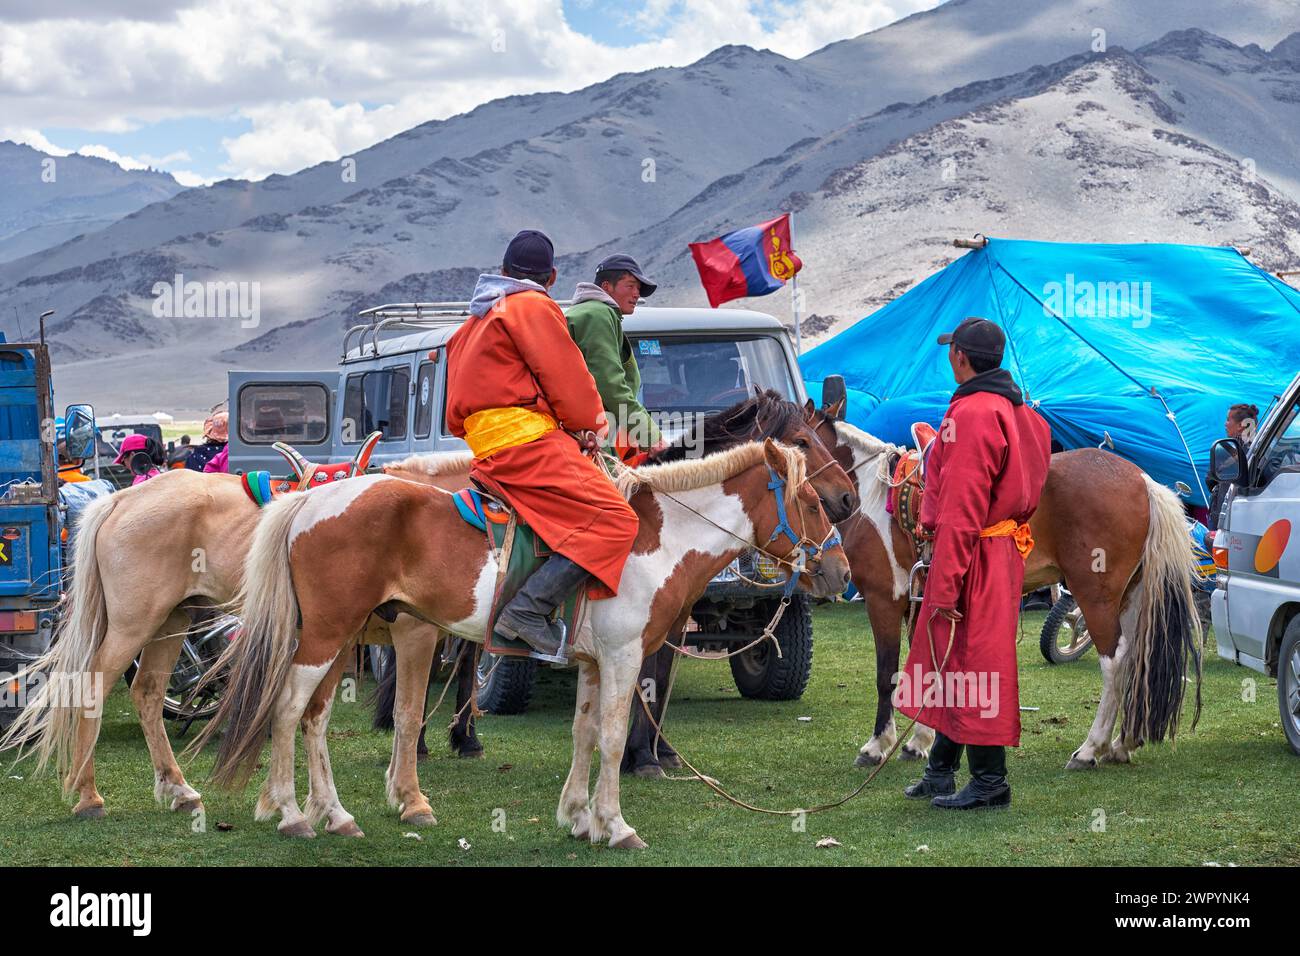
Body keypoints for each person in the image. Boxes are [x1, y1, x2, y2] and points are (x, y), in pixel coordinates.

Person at [444, 229, 639, 660]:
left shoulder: (470, 325)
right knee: (615, 520)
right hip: (526, 445)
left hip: (487, 449)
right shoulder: (533, 307)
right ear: (551, 278)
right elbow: (566, 377)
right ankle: (527, 613)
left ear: (502, 271)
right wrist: (589, 425)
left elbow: (455, 410)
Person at [896, 317, 1051, 810]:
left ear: (960, 357)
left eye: (951, 351)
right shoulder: (1020, 411)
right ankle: (941, 769)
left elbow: (963, 511)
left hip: (976, 551)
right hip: (998, 549)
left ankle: (990, 781)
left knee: (976, 663)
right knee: (958, 658)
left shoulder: (977, 413)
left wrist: (943, 587)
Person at [565, 254, 665, 462]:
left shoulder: (590, 312)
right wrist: (651, 436)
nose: (637, 294)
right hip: (591, 431)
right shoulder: (597, 315)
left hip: (592, 429)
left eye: (638, 289)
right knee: (614, 490)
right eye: (630, 286)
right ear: (607, 286)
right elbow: (610, 385)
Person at [1207, 403, 1259, 531]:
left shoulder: (1229, 450)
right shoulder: (1259, 450)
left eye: (1228, 419)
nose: (1225, 424)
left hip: (1226, 520)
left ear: (1242, 426)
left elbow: (1210, 480)